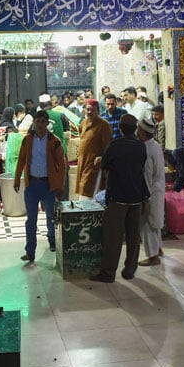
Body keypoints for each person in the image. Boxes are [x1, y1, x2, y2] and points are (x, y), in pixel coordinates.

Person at [90, 114, 148, 283]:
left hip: (118, 197)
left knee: (113, 237)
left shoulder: (115, 145)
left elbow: (105, 164)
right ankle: (130, 270)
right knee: (133, 236)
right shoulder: (140, 146)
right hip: (137, 196)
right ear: (135, 128)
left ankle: (108, 273)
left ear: (121, 128)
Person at [13, 110, 66, 267]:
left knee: (51, 216)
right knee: (31, 220)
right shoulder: (28, 140)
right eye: (38, 122)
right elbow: (22, 159)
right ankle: (30, 252)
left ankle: (52, 242)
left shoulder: (54, 141)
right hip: (31, 186)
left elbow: (62, 165)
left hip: (48, 185)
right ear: (34, 123)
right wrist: (17, 179)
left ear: (47, 123)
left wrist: (59, 185)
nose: (40, 125)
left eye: (43, 122)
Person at [136, 116, 165, 266]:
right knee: (156, 221)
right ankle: (158, 249)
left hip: (151, 191)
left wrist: (145, 198)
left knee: (148, 223)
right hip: (158, 189)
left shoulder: (146, 150)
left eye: (138, 129)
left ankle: (153, 256)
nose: (136, 131)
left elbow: (147, 175)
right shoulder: (155, 145)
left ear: (142, 132)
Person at [75, 98, 112, 198]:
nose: (89, 112)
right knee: (82, 189)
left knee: (88, 190)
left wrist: (103, 158)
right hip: (83, 163)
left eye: (92, 110)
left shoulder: (104, 125)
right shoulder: (83, 123)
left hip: (94, 165)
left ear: (98, 111)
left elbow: (108, 146)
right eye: (88, 109)